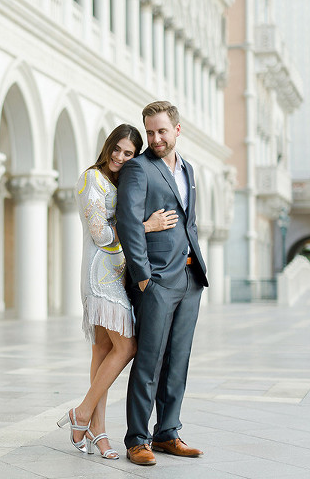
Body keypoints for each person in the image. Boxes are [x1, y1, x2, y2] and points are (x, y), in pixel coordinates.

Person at [57, 124, 178, 460]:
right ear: (108, 145)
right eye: (117, 149)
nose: (121, 157)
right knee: (127, 347)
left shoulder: (118, 181)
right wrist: (146, 226)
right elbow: (101, 235)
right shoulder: (90, 178)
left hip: (118, 274)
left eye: (128, 153)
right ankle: (81, 413)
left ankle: (98, 432)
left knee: (102, 353)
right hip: (101, 276)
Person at [116, 101, 209, 466]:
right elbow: (127, 224)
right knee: (149, 360)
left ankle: (168, 433)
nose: (155, 138)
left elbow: (191, 222)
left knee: (178, 360)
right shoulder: (138, 168)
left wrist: (197, 264)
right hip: (155, 280)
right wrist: (142, 279)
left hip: (190, 278)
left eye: (161, 131)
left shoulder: (188, 169)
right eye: (150, 131)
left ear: (177, 130)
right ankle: (138, 439)